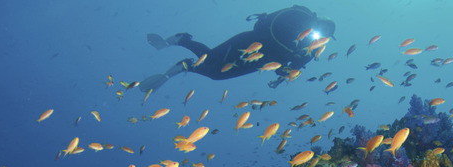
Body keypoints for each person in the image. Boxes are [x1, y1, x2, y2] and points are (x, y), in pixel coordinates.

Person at [140, 5, 335, 91]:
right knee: (211, 57)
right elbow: (268, 25)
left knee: (217, 74)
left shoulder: (311, 48)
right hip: (249, 43)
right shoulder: (299, 17)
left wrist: (282, 78)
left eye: (323, 36)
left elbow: (295, 68)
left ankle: (186, 66)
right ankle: (182, 40)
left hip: (260, 62)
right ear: (317, 21)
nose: (318, 36)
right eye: (321, 30)